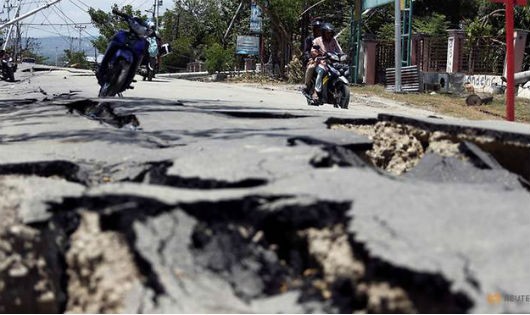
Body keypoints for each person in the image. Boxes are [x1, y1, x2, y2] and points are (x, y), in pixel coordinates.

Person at [310, 23, 343, 104]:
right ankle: (316, 92)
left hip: (332, 63)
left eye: (330, 33)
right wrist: (318, 54)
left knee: (340, 72)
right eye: (327, 33)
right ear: (323, 33)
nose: (329, 34)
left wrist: (342, 55)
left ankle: (335, 91)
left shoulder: (334, 41)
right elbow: (313, 51)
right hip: (320, 63)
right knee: (321, 71)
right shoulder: (317, 40)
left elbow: (339, 51)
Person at [303, 19, 323, 97]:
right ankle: (307, 85)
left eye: (320, 29)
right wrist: (309, 59)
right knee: (311, 68)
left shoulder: (324, 39)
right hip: (313, 60)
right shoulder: (310, 39)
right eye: (317, 29)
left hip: (324, 60)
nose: (318, 31)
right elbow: (306, 51)